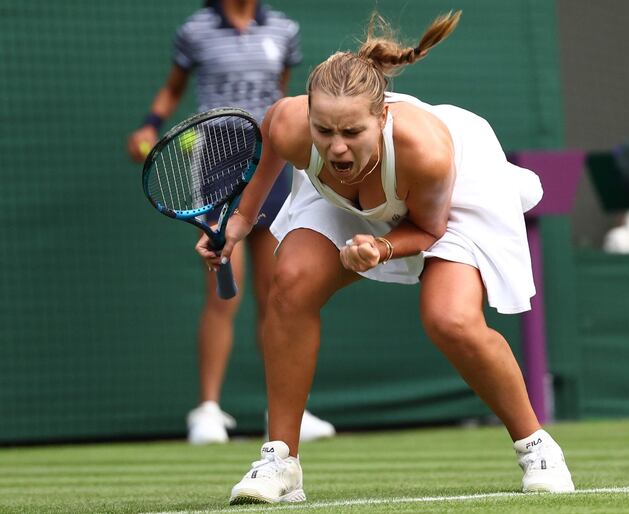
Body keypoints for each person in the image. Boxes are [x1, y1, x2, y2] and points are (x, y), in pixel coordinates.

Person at [196, 10, 575, 504]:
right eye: (324, 130)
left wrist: (381, 247)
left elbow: (429, 229)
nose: (335, 148)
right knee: (289, 284)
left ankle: (536, 446)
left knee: (451, 319)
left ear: (382, 116)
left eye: (351, 132)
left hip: (448, 200)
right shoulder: (289, 124)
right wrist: (239, 226)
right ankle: (280, 461)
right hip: (344, 200)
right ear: (309, 115)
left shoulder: (426, 151)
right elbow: (267, 158)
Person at [127, 0, 335, 445]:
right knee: (223, 295)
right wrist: (150, 126)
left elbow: (281, 96)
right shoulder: (195, 30)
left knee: (276, 293)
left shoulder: (284, 28)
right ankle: (207, 411)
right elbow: (172, 88)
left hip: (271, 160)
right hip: (216, 160)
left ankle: (284, 409)